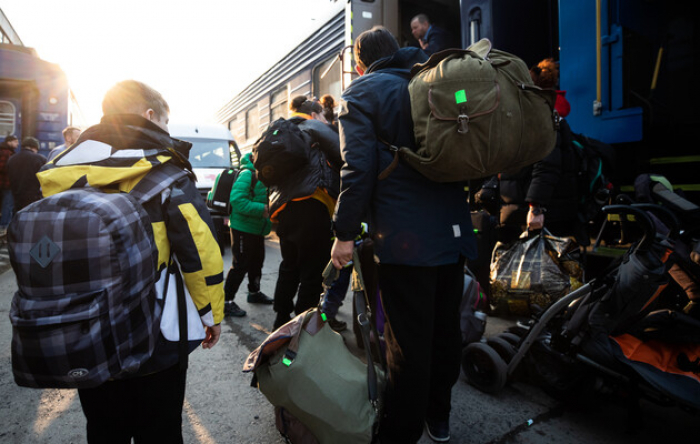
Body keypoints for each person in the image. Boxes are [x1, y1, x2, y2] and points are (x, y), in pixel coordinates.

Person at [36, 80, 224, 443]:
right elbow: (199, 249)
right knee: (161, 428)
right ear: (150, 114)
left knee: (104, 428)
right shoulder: (164, 168)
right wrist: (210, 313)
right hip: (153, 328)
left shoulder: (59, 167)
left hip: (83, 324)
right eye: (166, 123)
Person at [331, 27, 476, 443]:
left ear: (359, 64)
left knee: (407, 342)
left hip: (404, 239)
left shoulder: (361, 94)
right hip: (453, 231)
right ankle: (439, 416)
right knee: (445, 329)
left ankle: (401, 432)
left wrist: (343, 232)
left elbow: (356, 172)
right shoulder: (433, 81)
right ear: (398, 51)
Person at [270, 95, 342, 330]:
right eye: (322, 115)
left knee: (289, 264)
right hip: (313, 203)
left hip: (285, 209)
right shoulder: (313, 126)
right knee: (312, 270)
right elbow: (343, 152)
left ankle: (281, 318)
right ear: (313, 114)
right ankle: (302, 326)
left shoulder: (282, 131)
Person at [495, 58, 579, 243]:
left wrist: (536, 207)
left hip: (542, 214)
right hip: (528, 209)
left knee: (544, 268)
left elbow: (547, 165)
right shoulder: (532, 116)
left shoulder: (543, 117)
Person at [223, 152, 273, 318]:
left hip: (258, 228)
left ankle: (254, 292)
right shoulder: (247, 174)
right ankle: (226, 302)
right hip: (242, 228)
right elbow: (237, 200)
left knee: (257, 262)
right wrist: (262, 210)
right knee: (240, 265)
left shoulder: (267, 173)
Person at [7, 136, 46, 211]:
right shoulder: (40, 159)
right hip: (34, 199)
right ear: (34, 147)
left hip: (17, 197)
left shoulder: (12, 159)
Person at [0, 135, 18, 233]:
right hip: (6, 183)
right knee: (8, 205)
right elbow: (3, 167)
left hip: (3, 183)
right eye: (15, 141)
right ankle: (4, 226)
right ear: (9, 142)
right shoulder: (6, 153)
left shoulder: (6, 151)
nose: (17, 143)